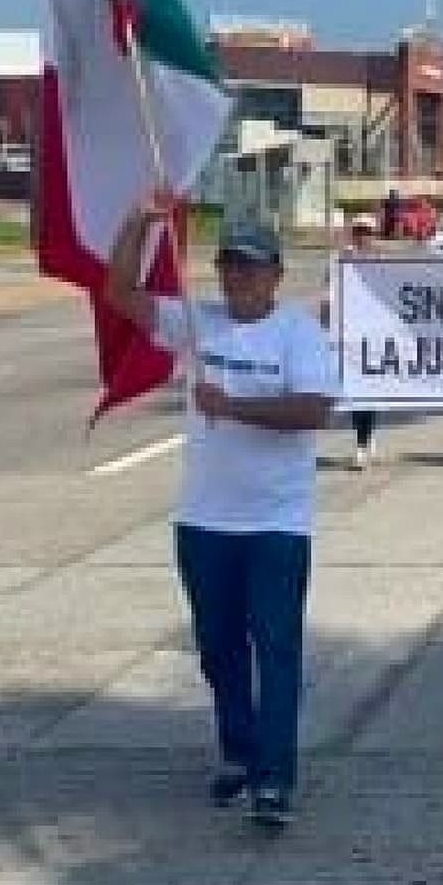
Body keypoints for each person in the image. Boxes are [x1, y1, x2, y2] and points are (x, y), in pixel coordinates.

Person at [105, 200, 336, 830]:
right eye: (231, 266)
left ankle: (274, 781)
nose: (240, 278)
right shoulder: (198, 324)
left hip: (276, 526)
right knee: (218, 650)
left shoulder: (299, 336)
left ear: (276, 275)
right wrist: (137, 227)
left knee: (277, 649)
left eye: (253, 268)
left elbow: (313, 411)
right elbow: (120, 292)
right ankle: (239, 753)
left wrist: (232, 407)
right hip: (205, 522)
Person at [330, 214, 381, 471]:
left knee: (368, 390)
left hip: (373, 334)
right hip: (349, 333)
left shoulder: (382, 264)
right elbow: (329, 296)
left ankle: (364, 440)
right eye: (359, 230)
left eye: (367, 231)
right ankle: (362, 441)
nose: (363, 235)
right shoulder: (341, 261)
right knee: (354, 390)